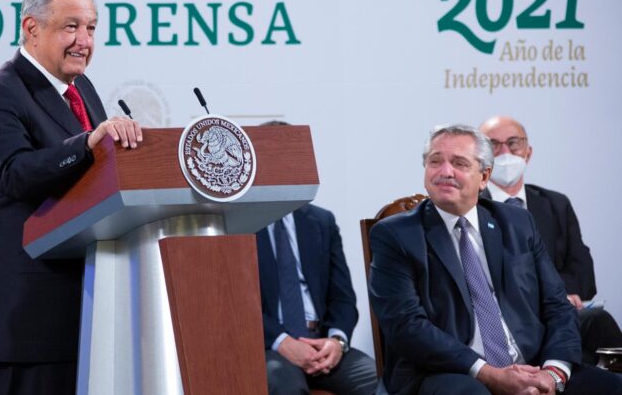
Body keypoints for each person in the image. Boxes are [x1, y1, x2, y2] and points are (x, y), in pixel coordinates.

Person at [0, 0, 143, 395]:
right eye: (71, 27)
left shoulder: (82, 90)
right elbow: (14, 173)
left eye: (91, 28)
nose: (84, 40)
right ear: (32, 28)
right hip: (31, 318)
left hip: (87, 311)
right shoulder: (0, 94)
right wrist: (85, 144)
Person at [368, 124, 622, 395]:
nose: (445, 172)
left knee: (611, 386)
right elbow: (406, 326)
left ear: (484, 176)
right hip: (451, 372)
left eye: (459, 163)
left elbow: (557, 305)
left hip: (532, 366)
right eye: (435, 162)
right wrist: (489, 374)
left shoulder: (517, 222)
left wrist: (553, 373)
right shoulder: (395, 234)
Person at [480, 115, 622, 365]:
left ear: (528, 152)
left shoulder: (555, 204)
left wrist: (559, 293)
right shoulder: (472, 207)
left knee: (599, 322)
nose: (505, 153)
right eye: (494, 145)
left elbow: (583, 273)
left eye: (513, 143)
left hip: (557, 313)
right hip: (507, 321)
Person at [256, 203, 378, 395]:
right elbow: (238, 304)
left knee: (376, 381)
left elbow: (343, 297)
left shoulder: (322, 221)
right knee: (287, 387)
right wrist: (283, 342)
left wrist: (337, 342)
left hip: (321, 342)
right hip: (272, 345)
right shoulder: (241, 222)